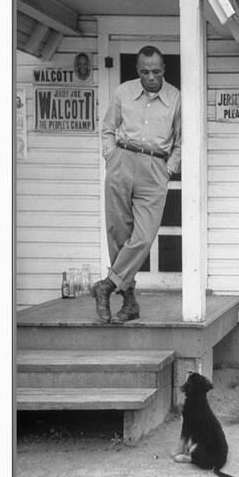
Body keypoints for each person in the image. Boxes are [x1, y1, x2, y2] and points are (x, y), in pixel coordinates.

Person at [92, 45, 181, 323]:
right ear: (138, 70)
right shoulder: (123, 92)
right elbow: (108, 127)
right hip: (122, 160)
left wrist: (168, 169)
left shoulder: (175, 97)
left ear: (164, 69)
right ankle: (129, 302)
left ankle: (106, 285)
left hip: (155, 167)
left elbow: (182, 140)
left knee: (143, 236)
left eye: (156, 71)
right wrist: (110, 155)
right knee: (119, 232)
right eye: (145, 71)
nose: (151, 76)